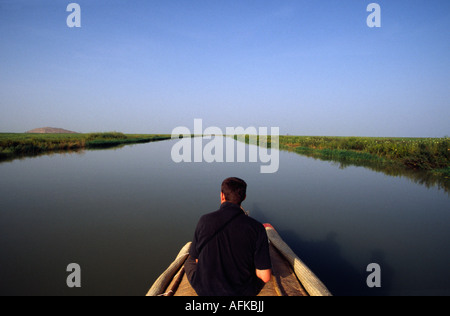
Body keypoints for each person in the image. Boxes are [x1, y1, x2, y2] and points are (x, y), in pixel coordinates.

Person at [185, 177, 272, 296]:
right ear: (244, 197)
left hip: (205, 291)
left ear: (221, 196)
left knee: (190, 260)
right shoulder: (257, 228)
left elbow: (197, 260)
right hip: (241, 293)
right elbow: (265, 277)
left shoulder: (204, 220)